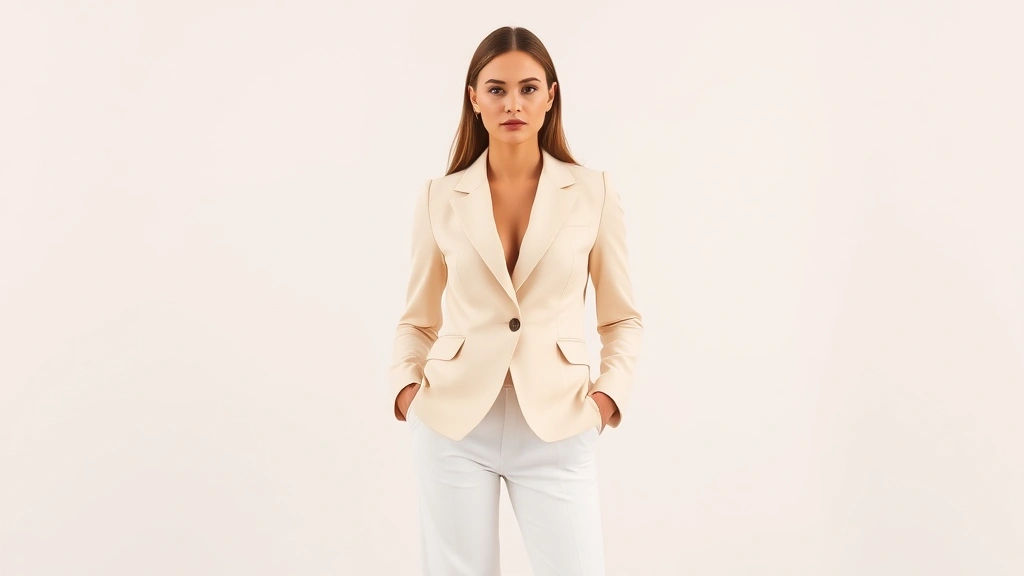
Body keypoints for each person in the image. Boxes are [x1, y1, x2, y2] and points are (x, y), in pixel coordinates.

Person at [388, 25, 643, 576]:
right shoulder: (439, 197)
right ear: (474, 98)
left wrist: (605, 402)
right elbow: (417, 319)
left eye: (528, 89)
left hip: (557, 420)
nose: (513, 103)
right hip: (454, 423)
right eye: (497, 89)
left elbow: (621, 319)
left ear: (551, 96)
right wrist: (409, 391)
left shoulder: (593, 191)